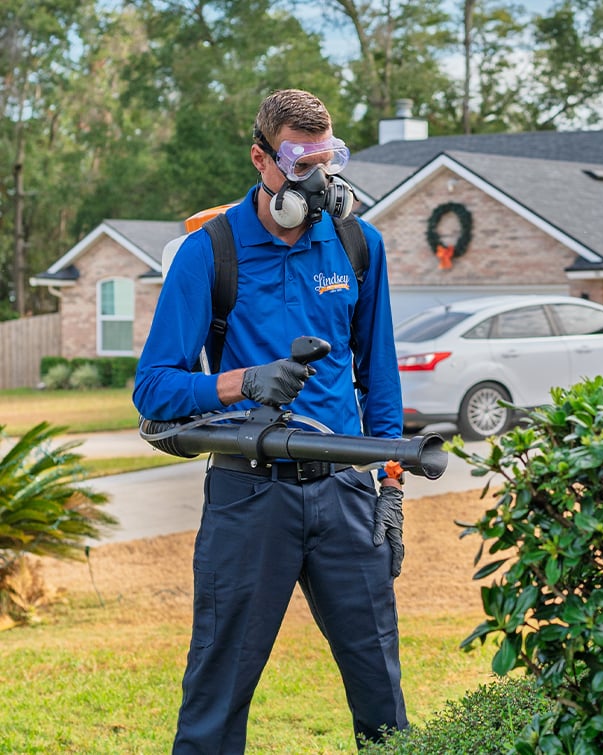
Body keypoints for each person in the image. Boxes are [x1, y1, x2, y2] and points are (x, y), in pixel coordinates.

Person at [133, 88, 407, 753]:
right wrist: (243, 381)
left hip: (345, 493)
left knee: (381, 694)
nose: (318, 181)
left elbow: (381, 384)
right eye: (299, 162)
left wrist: (392, 491)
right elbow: (153, 388)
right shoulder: (210, 252)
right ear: (261, 159)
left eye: (327, 160)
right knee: (216, 695)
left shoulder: (356, 244)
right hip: (249, 494)